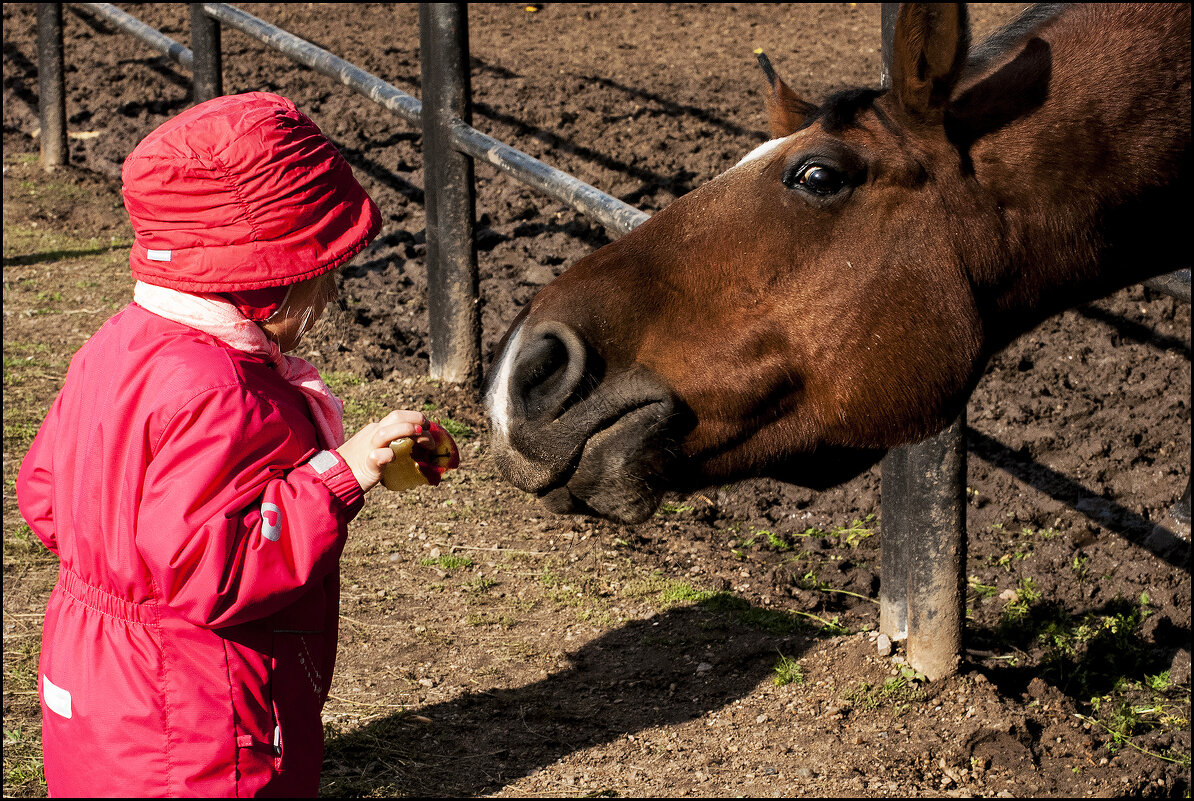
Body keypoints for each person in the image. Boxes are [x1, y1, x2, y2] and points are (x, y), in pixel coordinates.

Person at [15, 91, 456, 797]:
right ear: (267, 277)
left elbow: (43, 494)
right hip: (198, 716)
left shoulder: (115, 346)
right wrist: (338, 476)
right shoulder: (223, 392)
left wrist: (122, 562)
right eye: (326, 274)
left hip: (98, 685)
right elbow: (212, 572)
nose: (331, 297)